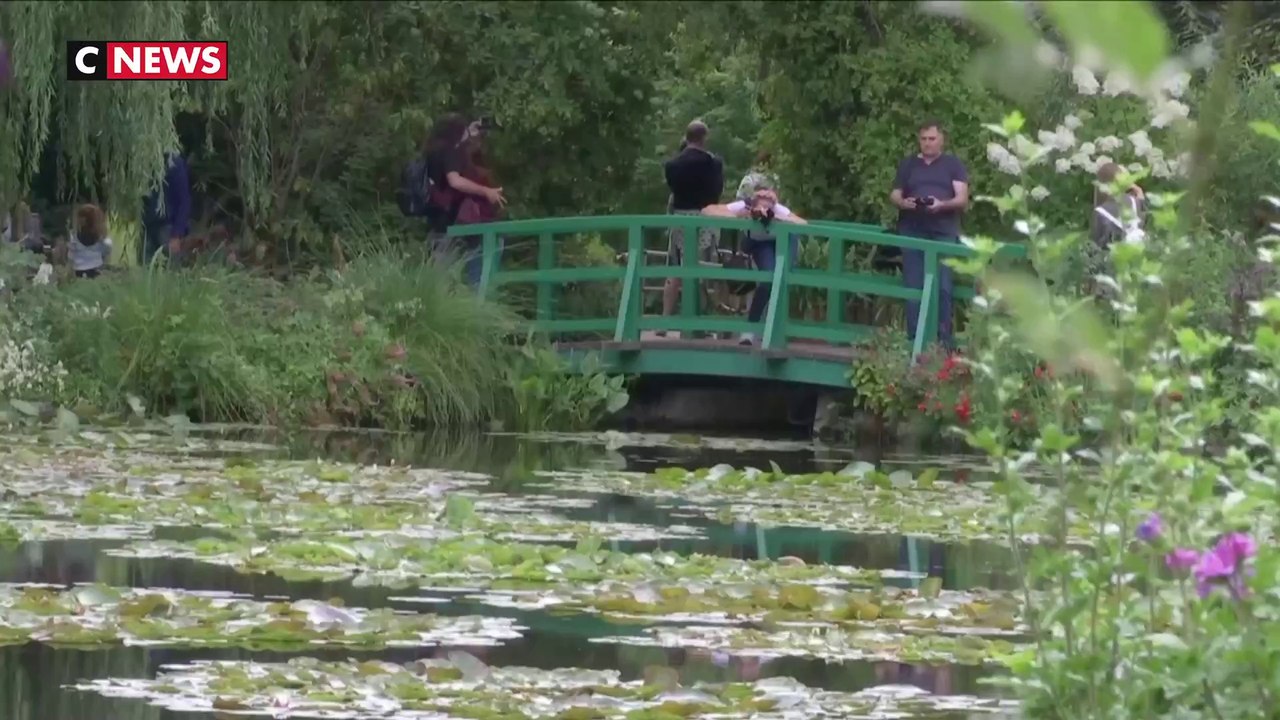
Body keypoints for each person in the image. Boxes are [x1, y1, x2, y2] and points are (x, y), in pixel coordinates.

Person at [889, 120, 970, 349]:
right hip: (913, 228)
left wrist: (941, 204)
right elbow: (894, 194)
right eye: (923, 139)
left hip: (943, 230)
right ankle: (915, 339)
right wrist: (905, 203)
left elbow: (962, 198)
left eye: (932, 139)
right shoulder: (908, 165)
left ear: (941, 140)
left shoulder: (952, 165)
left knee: (943, 286)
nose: (927, 143)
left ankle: (942, 341)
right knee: (914, 285)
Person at [703, 185, 808, 346]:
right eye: (762, 201)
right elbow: (708, 210)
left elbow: (803, 224)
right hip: (760, 245)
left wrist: (777, 219)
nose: (765, 206)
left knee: (781, 280)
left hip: (782, 241)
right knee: (768, 280)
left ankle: (774, 331)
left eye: (769, 202)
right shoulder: (745, 205)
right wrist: (739, 216)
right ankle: (751, 328)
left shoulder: (779, 210)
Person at [422, 113, 506, 277]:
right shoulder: (451, 153)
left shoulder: (431, 153)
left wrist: (469, 135)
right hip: (457, 221)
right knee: (479, 276)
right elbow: (455, 181)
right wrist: (486, 191)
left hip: (438, 221)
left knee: (438, 278)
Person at [663, 120, 724, 323]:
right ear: (704, 138)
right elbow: (717, 191)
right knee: (706, 268)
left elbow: (674, 191)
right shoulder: (714, 164)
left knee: (676, 267)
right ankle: (703, 321)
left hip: (681, 219)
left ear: (686, 137)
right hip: (706, 218)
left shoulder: (672, 165)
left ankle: (665, 319)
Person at [452, 139, 503, 286]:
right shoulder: (489, 176)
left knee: (475, 278)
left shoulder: (467, 177)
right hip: (490, 229)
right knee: (486, 280)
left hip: (475, 231)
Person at [140, 151, 192, 265]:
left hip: (167, 228)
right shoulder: (142, 162)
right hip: (147, 227)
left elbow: (184, 200)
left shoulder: (173, 163)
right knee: (145, 272)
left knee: (171, 271)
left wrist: (176, 234)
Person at [69, 203, 112, 279]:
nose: (78, 220)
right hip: (97, 270)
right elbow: (106, 254)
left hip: (79, 271)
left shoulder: (74, 237)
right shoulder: (103, 238)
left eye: (80, 217)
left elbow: (71, 255)